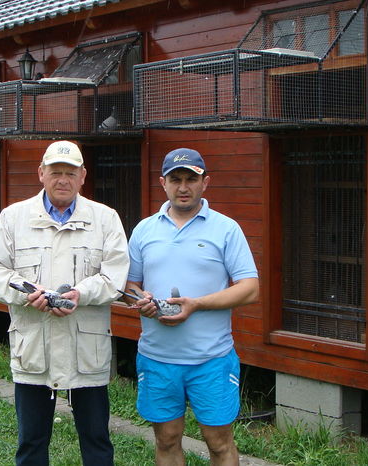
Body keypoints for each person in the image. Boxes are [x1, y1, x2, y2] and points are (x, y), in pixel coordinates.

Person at [0, 140, 129, 466]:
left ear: (83, 176)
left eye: (70, 173)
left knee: (96, 440)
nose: (63, 179)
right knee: (31, 441)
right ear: (41, 174)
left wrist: (81, 293)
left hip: (85, 350)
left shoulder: (105, 219)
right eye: (55, 172)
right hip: (35, 349)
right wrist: (26, 293)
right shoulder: (13, 218)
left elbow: (115, 276)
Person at [125, 148, 259, 466]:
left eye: (191, 179)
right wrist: (141, 300)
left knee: (219, 444)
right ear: (163, 183)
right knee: (167, 439)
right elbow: (129, 285)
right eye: (175, 179)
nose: (183, 187)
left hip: (211, 360)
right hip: (157, 358)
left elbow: (250, 289)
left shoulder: (226, 229)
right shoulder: (144, 230)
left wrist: (196, 304)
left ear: (205, 183)